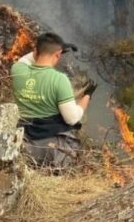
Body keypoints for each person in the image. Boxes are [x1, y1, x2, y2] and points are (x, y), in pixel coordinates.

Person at [11, 32, 93, 169]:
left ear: (36, 51)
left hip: (24, 144)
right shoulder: (59, 79)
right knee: (77, 122)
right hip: (50, 150)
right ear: (58, 55)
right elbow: (72, 119)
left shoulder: (17, 70)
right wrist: (87, 97)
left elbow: (27, 58)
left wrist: (54, 49)